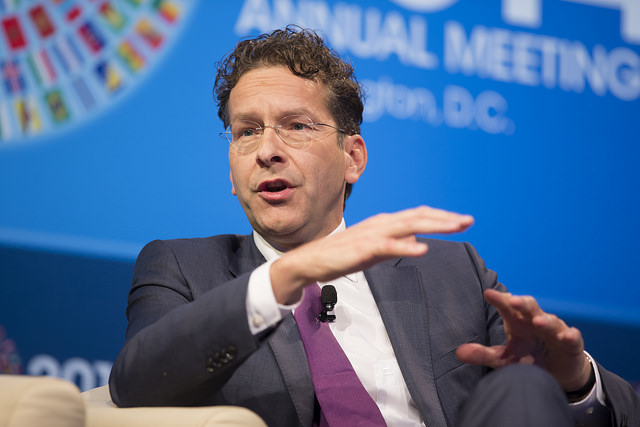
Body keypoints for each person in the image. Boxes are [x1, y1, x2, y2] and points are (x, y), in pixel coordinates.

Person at [108, 27, 639, 426]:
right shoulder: (182, 267)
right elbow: (134, 385)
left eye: (295, 126)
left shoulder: (453, 272)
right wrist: (288, 276)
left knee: (526, 383)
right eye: (247, 132)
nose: (266, 151)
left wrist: (575, 382)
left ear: (352, 158)